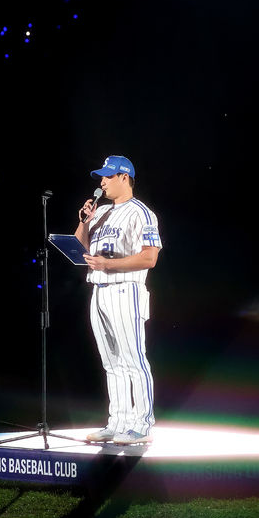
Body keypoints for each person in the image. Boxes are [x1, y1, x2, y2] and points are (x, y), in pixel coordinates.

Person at [75, 154, 162, 446]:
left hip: (126, 289)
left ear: (124, 177)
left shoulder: (142, 213)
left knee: (133, 359)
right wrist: (84, 222)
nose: (102, 182)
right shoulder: (100, 212)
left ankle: (143, 424)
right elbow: (81, 248)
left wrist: (108, 265)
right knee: (111, 362)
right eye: (101, 177)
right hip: (99, 289)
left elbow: (150, 258)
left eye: (108, 176)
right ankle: (118, 422)